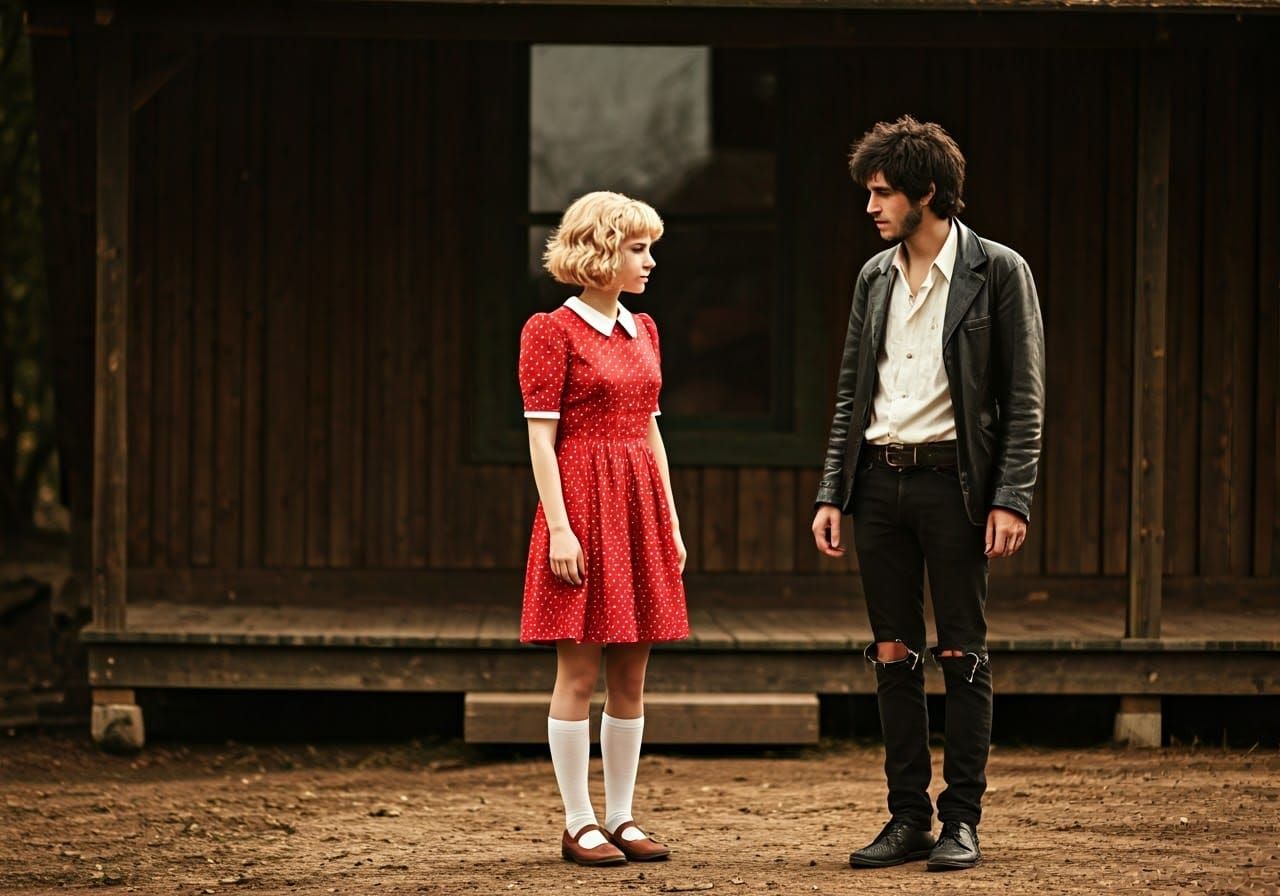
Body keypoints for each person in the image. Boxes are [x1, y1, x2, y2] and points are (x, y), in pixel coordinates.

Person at [810, 116, 1045, 872]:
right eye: (869, 192)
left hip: (956, 486)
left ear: (929, 193)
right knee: (891, 652)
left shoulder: (999, 271)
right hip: (878, 482)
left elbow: (1025, 397)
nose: (871, 206)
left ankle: (962, 821)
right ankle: (907, 817)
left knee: (961, 652)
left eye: (883, 192)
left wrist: (1012, 496)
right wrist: (830, 491)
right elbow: (851, 392)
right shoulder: (874, 276)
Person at [518, 191, 689, 867]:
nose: (649, 262)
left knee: (633, 675)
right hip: (582, 505)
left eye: (650, 247)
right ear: (600, 252)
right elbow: (540, 438)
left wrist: (670, 519)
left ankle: (621, 816)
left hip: (638, 507)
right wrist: (560, 529)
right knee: (579, 671)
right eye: (638, 248)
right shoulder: (549, 330)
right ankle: (579, 820)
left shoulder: (644, 330)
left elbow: (651, 429)